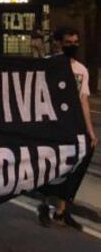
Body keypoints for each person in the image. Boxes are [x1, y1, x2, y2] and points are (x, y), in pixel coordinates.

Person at [37, 27, 97, 229]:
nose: (73, 46)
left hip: (73, 124)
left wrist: (90, 131)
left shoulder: (81, 70)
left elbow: (83, 101)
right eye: (68, 42)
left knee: (72, 166)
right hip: (53, 124)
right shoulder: (48, 64)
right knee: (50, 165)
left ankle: (61, 211)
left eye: (75, 42)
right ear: (58, 43)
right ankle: (44, 205)